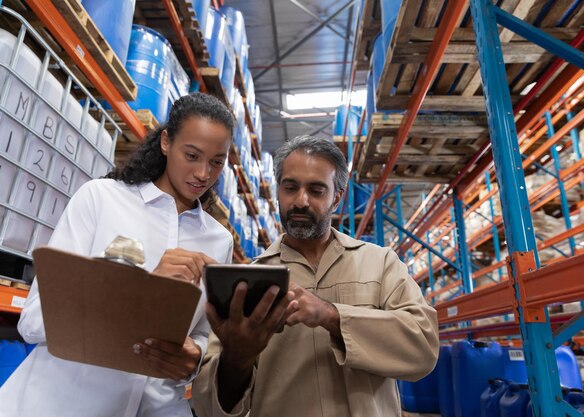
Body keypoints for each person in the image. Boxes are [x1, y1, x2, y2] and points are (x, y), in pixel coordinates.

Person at [0, 92, 235, 417]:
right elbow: (35, 320)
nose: (203, 174)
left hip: (159, 407)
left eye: (216, 162)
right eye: (192, 155)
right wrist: (145, 287)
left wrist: (195, 355)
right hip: (65, 405)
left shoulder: (218, 241)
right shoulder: (101, 199)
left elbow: (205, 335)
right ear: (166, 141)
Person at [192, 135, 439, 417]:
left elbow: (423, 348)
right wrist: (237, 359)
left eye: (316, 190)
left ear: (337, 197)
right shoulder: (247, 283)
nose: (300, 201)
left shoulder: (380, 263)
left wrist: (331, 316)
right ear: (278, 192)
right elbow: (207, 405)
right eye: (290, 187)